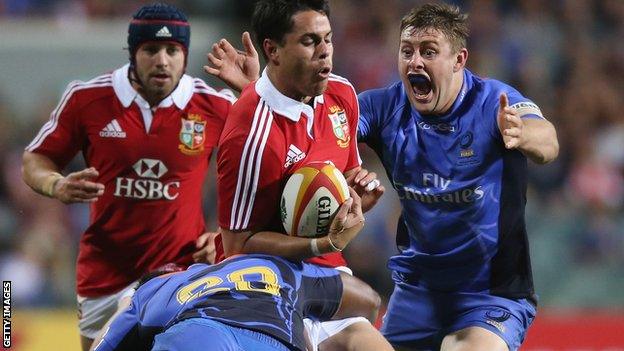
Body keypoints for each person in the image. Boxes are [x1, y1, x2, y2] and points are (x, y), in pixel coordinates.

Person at [207, 3, 560, 350]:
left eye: (429, 51)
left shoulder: (493, 103)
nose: (415, 61)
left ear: (459, 60)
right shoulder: (382, 107)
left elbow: (548, 141)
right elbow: (312, 131)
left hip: (490, 292)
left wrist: (523, 136)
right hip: (416, 291)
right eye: (407, 51)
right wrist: (260, 89)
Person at [21, 3, 233, 350]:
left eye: (172, 50)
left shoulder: (215, 106)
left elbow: (254, 171)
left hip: (179, 270)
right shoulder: (88, 98)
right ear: (132, 52)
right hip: (105, 274)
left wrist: (222, 235)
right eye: (151, 49)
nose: (162, 60)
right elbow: (36, 158)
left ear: (185, 54)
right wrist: (56, 184)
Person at [213, 1, 391, 351]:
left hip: (324, 271)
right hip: (262, 284)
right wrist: (321, 244)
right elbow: (236, 245)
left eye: (328, 39)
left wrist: (353, 195)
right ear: (272, 50)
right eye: (310, 41)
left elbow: (345, 171)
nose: (325, 52)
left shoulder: (341, 94)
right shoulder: (250, 134)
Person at [90, 251, 379, 351]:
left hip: (200, 334)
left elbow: (106, 344)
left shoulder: (154, 289)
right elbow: (369, 300)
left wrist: (126, 305)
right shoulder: (273, 267)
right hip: (276, 340)